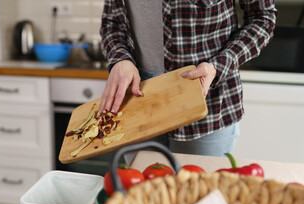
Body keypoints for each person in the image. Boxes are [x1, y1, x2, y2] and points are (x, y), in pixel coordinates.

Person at [99, 0, 277, 157]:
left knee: (199, 193)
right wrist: (121, 59)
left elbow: (262, 17)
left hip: (208, 103)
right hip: (138, 99)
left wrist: (218, 66)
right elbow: (112, 23)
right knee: (143, 191)